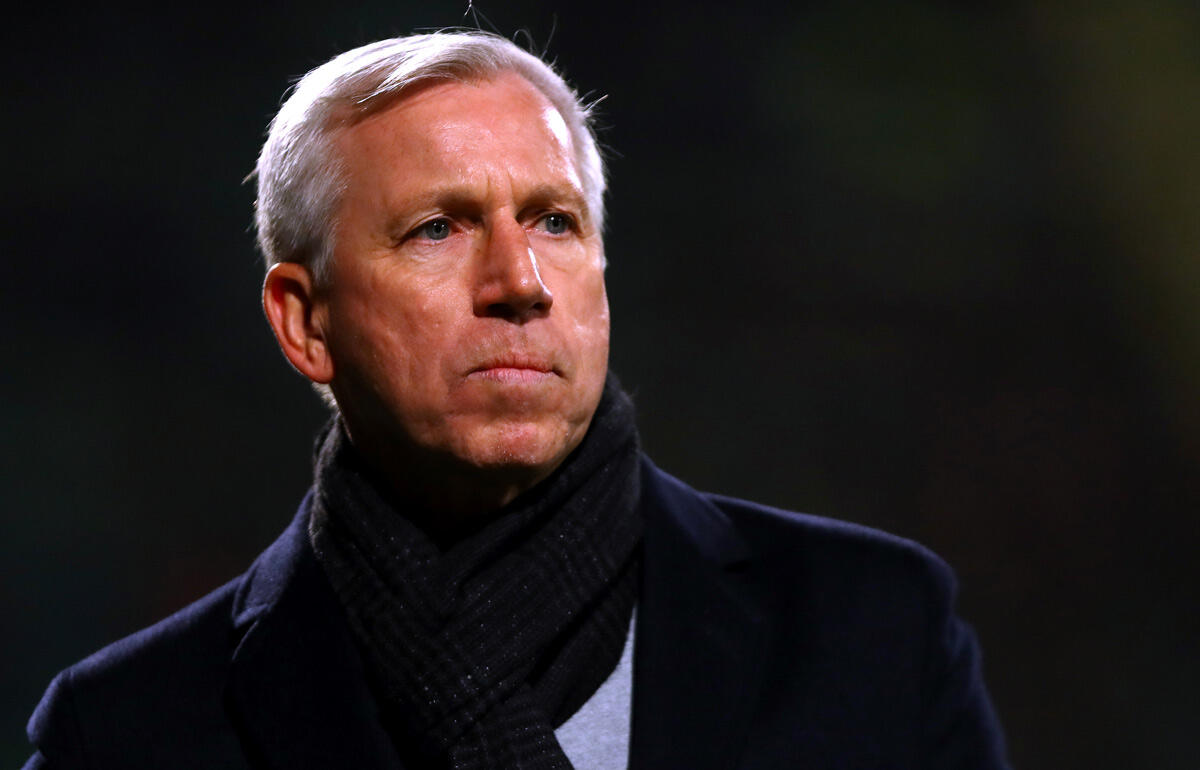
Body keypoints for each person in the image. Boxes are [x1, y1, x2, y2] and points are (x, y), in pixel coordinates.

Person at [23, 31, 1009, 769]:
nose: (520, 280)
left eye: (554, 222)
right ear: (305, 321)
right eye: (438, 228)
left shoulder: (872, 629)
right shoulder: (127, 731)